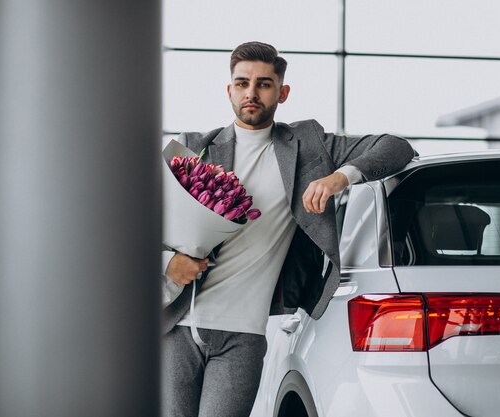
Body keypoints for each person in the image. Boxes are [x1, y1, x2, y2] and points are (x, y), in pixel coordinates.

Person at [161, 41, 415, 417]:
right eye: (242, 83)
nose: (252, 92)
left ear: (282, 92)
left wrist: (339, 178)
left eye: (264, 84)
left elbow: (396, 147)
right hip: (177, 326)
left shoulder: (308, 145)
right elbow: (138, 225)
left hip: (243, 333)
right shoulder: (195, 149)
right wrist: (169, 264)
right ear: (229, 90)